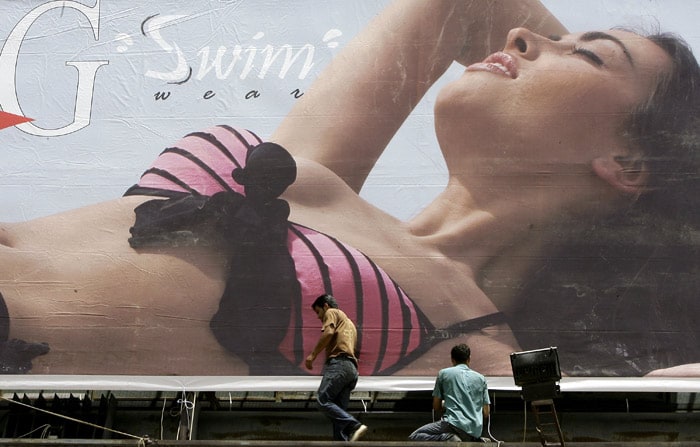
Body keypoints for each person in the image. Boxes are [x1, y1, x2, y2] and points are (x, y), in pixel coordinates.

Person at [0, 0, 698, 378]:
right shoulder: (321, 178)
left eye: (585, 51)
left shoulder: (485, 365)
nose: (523, 35)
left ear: (629, 164)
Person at [304, 294, 367, 442]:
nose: (319, 317)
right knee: (339, 414)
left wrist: (313, 355)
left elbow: (329, 332)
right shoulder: (349, 323)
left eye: (318, 312)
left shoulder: (331, 312)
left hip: (339, 364)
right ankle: (343, 439)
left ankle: (354, 425)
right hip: (351, 369)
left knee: (322, 400)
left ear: (325, 305)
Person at [409, 344, 490, 442]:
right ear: (469, 359)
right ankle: (475, 440)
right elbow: (486, 412)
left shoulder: (444, 374)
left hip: (453, 424)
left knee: (415, 436)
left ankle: (447, 438)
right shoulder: (481, 378)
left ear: (452, 359)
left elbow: (436, 406)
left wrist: (448, 405)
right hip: (475, 430)